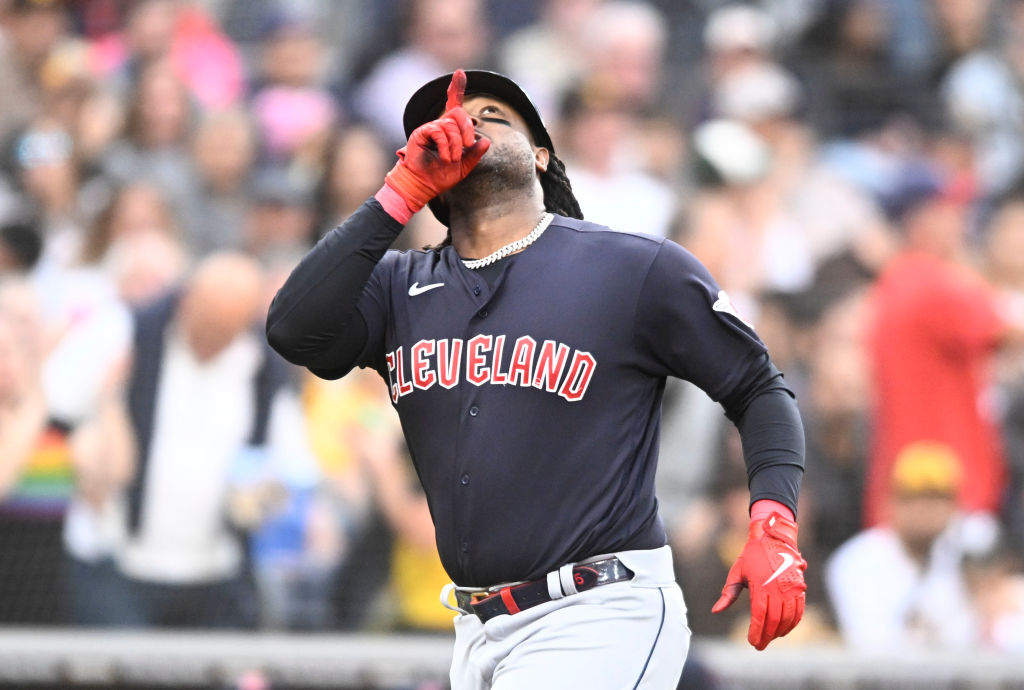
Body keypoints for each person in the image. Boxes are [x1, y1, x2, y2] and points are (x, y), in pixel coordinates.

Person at [267, 69, 807, 688]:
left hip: (599, 611)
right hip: (475, 628)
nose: (469, 121)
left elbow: (758, 387)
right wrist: (399, 192)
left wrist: (773, 521)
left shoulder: (630, 267)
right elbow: (292, 328)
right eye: (451, 119)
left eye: (495, 113)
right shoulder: (398, 288)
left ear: (543, 155)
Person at [826, 441, 980, 650]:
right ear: (889, 503)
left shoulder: (966, 554)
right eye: (912, 497)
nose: (925, 509)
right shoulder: (857, 561)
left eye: (937, 498)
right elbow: (871, 646)